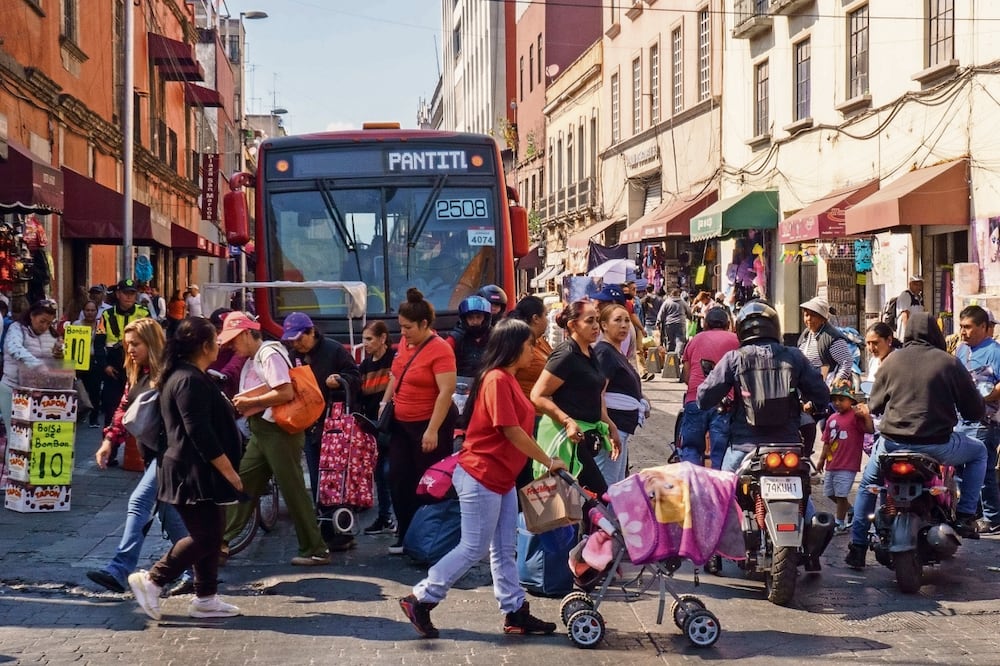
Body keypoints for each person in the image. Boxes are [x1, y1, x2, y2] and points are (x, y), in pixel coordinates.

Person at [399, 318, 566, 639]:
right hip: (481, 474)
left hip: (499, 477)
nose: (534, 349)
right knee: (473, 547)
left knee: (504, 549)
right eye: (530, 344)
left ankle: (515, 611)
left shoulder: (508, 379)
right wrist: (547, 460)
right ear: (514, 347)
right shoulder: (497, 380)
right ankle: (421, 597)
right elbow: (511, 429)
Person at [845, 312, 988, 569]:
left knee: (868, 485)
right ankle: (966, 515)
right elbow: (974, 411)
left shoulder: (891, 361)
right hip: (938, 445)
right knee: (979, 452)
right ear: (934, 333)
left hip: (891, 445)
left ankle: (856, 546)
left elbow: (875, 405)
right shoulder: (949, 363)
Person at [698, 299, 832, 570]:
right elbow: (821, 393)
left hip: (744, 446)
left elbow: (703, 396)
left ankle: (712, 553)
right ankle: (813, 552)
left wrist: (720, 399)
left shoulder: (735, 358)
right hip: (789, 446)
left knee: (719, 495)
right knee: (804, 497)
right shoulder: (794, 356)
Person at [127, 317, 244, 621]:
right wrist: (230, 471)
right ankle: (153, 580)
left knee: (212, 533)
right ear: (205, 346)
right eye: (216, 340)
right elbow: (199, 432)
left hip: (200, 471)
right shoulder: (186, 379)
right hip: (190, 471)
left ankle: (206, 598)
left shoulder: (190, 374)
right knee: (204, 536)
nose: (220, 344)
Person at [87, 318, 192, 597]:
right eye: (127, 344)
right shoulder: (138, 373)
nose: (130, 349)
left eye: (136, 343)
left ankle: (119, 568)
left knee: (139, 501)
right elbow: (124, 408)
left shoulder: (171, 372)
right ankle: (194, 571)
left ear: (152, 342)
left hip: (171, 453)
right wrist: (109, 440)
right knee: (170, 515)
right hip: (155, 453)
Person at [220, 312, 331, 566]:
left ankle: (315, 548)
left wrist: (251, 401)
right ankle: (220, 541)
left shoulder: (268, 354)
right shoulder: (256, 356)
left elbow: (285, 391)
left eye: (234, 341)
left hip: (278, 431)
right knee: (244, 481)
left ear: (247, 334)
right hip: (263, 430)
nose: (232, 348)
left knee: (292, 489)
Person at [380, 288, 457, 554]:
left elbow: (446, 391)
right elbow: (394, 374)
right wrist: (384, 403)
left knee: (427, 483)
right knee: (398, 477)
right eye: (400, 327)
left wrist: (432, 430)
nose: (403, 333)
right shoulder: (404, 343)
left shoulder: (441, 350)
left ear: (424, 324)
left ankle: (427, 537)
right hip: (401, 424)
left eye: (408, 328)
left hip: (429, 425)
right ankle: (405, 534)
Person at [530, 299, 621, 497]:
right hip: (565, 436)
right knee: (599, 498)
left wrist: (611, 426)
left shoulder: (589, 351)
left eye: (597, 320)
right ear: (572, 325)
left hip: (585, 433)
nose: (596, 326)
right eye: (590, 321)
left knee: (581, 501)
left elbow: (595, 395)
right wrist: (567, 421)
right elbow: (537, 395)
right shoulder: (565, 355)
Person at [281, 312, 360, 520]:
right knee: (317, 477)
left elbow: (355, 376)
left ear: (312, 332)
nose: (296, 344)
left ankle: (340, 524)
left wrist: (340, 379)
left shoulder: (334, 350)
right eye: (292, 341)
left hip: (334, 424)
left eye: (300, 339)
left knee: (335, 476)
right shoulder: (293, 356)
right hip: (309, 424)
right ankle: (323, 522)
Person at [953, 305, 1000, 535]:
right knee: (961, 470)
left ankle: (992, 517)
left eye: (968, 327)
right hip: (961, 419)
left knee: (984, 471)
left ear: (983, 327)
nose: (964, 332)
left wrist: (986, 397)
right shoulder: (961, 351)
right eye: (961, 327)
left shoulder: (995, 351)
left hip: (985, 421)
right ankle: (973, 512)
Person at [95, 279, 151, 462]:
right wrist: (104, 366)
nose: (129, 297)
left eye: (132, 293)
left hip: (137, 366)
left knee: (139, 408)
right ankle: (109, 453)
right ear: (118, 294)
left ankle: (141, 454)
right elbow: (99, 342)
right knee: (112, 409)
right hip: (114, 366)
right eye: (125, 293)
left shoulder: (143, 313)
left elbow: (153, 341)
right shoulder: (106, 315)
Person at [593, 304, 648, 484]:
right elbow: (597, 392)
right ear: (604, 325)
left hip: (622, 428)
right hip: (613, 428)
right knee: (607, 485)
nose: (624, 325)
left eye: (626, 320)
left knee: (616, 483)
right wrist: (609, 426)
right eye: (617, 320)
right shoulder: (604, 353)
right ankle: (601, 513)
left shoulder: (616, 352)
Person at [679, 307, 739, 468]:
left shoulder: (695, 340)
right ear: (728, 324)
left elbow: (687, 376)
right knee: (720, 452)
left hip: (696, 399)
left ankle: (689, 486)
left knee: (690, 447)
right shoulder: (736, 340)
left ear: (705, 324)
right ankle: (718, 490)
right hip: (725, 403)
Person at [798, 296, 853, 454]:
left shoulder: (831, 338)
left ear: (822, 318)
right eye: (806, 314)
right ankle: (806, 459)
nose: (808, 319)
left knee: (827, 426)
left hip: (826, 391)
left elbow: (846, 362)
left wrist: (834, 384)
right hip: (809, 390)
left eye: (812, 315)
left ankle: (836, 460)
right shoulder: (806, 336)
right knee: (804, 426)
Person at [816, 381, 874, 534]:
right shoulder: (831, 418)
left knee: (841, 495)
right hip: (832, 463)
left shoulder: (856, 416)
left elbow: (869, 429)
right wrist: (821, 459)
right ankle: (851, 509)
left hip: (848, 464)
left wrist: (866, 416)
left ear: (851, 400)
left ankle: (839, 523)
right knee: (830, 493)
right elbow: (827, 441)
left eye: (841, 399)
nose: (837, 403)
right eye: (834, 399)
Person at [0, 299, 64, 436]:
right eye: (42, 321)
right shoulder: (16, 328)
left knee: (37, 436)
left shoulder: (52, 335)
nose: (45, 326)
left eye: (49, 323)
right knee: (16, 436)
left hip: (41, 392)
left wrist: (60, 354)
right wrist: (38, 365)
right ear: (32, 315)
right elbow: (15, 348)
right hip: (13, 388)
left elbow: (57, 360)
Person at [358, 321, 397, 536]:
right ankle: (385, 517)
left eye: (369, 339)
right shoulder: (364, 366)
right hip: (373, 427)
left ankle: (392, 516)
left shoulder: (394, 360)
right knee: (379, 473)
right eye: (364, 339)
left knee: (387, 471)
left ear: (382, 339)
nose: (365, 343)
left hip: (393, 424)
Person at [73, 299, 104, 428]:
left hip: (94, 361)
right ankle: (78, 415)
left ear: (97, 312)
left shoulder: (101, 326)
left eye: (93, 310)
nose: (90, 313)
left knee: (95, 390)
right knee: (79, 389)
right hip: (79, 362)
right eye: (87, 310)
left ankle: (94, 418)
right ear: (83, 311)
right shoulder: (76, 325)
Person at [446, 295, 493, 378]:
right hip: (462, 386)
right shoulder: (455, 338)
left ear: (486, 318)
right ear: (464, 319)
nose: (475, 321)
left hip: (488, 383)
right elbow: (442, 355)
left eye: (478, 317)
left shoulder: (496, 336)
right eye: (471, 318)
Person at [206, 308, 247, 400]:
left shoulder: (241, 349)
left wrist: (222, 376)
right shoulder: (207, 349)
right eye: (219, 329)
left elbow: (234, 366)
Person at [656, 288, 692, 360]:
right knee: (680, 341)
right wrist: (690, 318)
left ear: (671, 294)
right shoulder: (682, 302)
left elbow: (661, 313)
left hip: (669, 324)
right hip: (680, 323)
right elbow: (689, 312)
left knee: (670, 341)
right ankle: (677, 356)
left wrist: (658, 322)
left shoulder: (667, 302)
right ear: (678, 294)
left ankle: (670, 358)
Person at [895, 276, 925, 340]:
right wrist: (908, 333)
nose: (918, 287)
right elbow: (905, 315)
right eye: (916, 284)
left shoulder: (919, 298)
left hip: (916, 334)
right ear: (910, 284)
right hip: (906, 336)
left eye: (920, 285)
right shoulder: (906, 295)